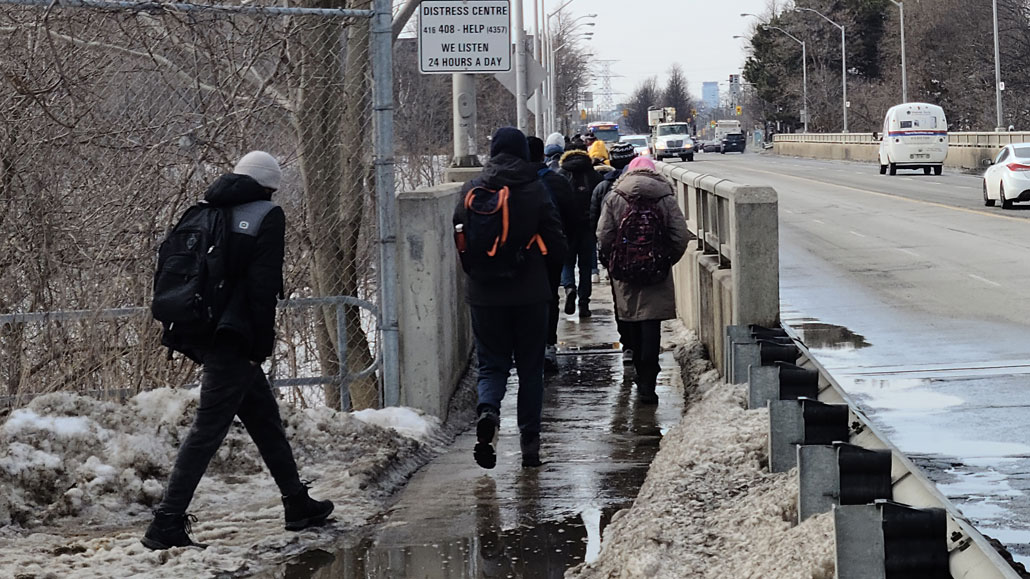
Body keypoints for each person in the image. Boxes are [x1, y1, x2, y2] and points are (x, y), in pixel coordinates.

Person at [143, 151, 333, 550]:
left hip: (203, 329)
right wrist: (259, 346)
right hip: (235, 338)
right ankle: (166, 523)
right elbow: (262, 291)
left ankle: (297, 503)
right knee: (207, 430)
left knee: (265, 420)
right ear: (270, 186)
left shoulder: (204, 210)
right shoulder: (267, 215)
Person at [454, 127, 567, 469]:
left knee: (491, 364)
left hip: (484, 295)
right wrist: (549, 281)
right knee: (531, 369)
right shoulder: (533, 188)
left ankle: (488, 410)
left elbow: (460, 238)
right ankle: (530, 445)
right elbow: (557, 241)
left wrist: (477, 275)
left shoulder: (471, 189)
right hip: (530, 294)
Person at [596, 157, 688, 404]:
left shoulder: (615, 196)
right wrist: (666, 261)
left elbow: (604, 234)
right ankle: (648, 382)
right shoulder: (665, 197)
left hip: (625, 271)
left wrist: (613, 260)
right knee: (651, 323)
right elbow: (680, 236)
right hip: (656, 270)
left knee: (631, 320)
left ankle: (637, 368)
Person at [528, 136, 578, 373]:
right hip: (551, 252)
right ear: (542, 155)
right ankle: (549, 346)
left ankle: (528, 348)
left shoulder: (511, 183)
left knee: (525, 300)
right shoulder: (557, 182)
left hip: (521, 253)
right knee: (550, 298)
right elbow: (572, 217)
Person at [589, 141, 637, 362]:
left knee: (621, 299)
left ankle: (628, 344)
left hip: (616, 254)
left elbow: (598, 225)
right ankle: (644, 348)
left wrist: (604, 252)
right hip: (648, 253)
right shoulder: (648, 187)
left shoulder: (603, 188)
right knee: (647, 302)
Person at [556, 145, 603, 318]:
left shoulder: (560, 175)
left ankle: (569, 287)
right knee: (586, 266)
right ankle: (584, 304)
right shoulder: (593, 175)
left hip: (566, 228)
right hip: (587, 228)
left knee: (567, 262)